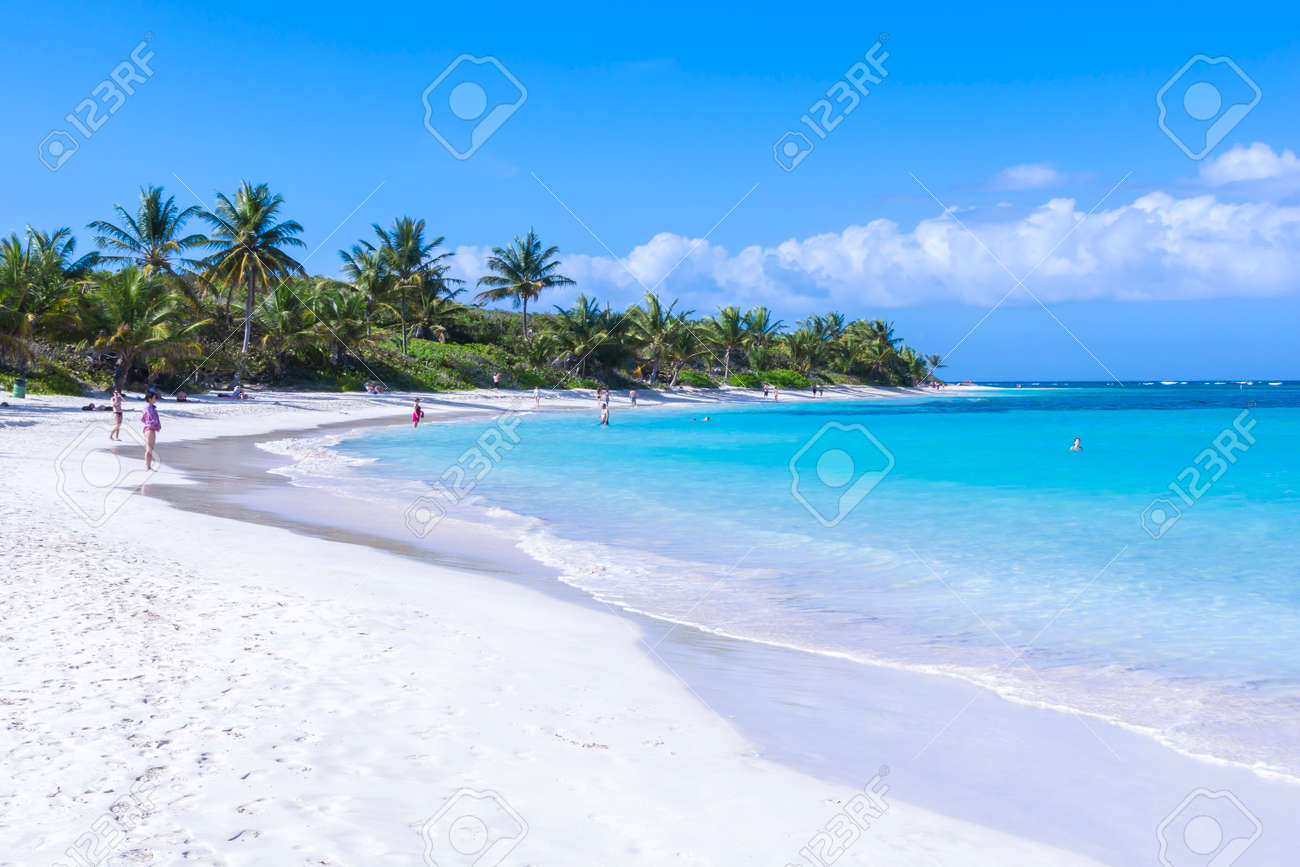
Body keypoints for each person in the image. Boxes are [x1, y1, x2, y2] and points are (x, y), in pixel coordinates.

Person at [141, 392, 161, 471]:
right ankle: (147, 467)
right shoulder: (148, 407)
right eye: (154, 398)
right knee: (149, 449)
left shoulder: (151, 407)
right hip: (149, 428)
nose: (155, 399)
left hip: (150, 428)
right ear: (150, 399)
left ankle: (148, 466)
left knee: (150, 448)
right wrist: (153, 423)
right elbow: (149, 416)